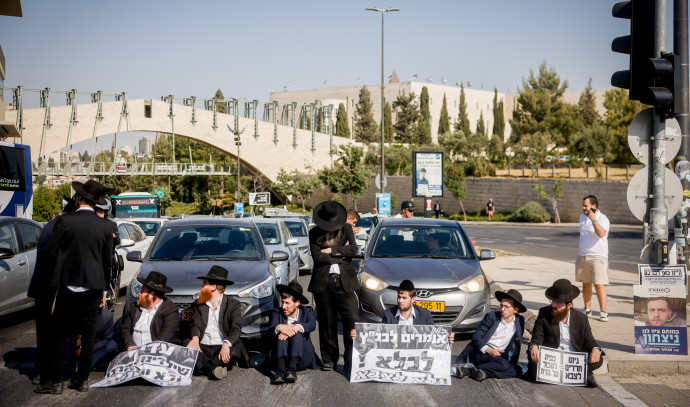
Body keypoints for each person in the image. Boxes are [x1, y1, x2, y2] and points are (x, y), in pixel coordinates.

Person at [37, 180, 114, 394]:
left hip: (66, 285)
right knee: (88, 334)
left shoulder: (65, 222)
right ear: (95, 202)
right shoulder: (106, 227)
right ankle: (81, 380)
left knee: (60, 333)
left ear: (80, 198)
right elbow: (107, 263)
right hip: (93, 287)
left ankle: (57, 381)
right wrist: (104, 291)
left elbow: (50, 253)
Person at [28, 196, 76, 386]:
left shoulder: (51, 224)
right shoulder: (60, 227)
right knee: (55, 332)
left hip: (42, 286)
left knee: (44, 332)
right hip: (52, 287)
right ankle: (50, 373)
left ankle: (42, 370)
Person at [308, 201, 358, 375]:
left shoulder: (346, 229)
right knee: (327, 323)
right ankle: (329, 359)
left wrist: (331, 251)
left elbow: (353, 250)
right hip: (324, 282)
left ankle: (351, 360)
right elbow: (316, 257)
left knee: (351, 320)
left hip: (346, 282)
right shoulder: (314, 233)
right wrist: (340, 254)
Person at [526, 279, 604, 388]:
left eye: (558, 303)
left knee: (599, 359)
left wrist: (596, 349)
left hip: (573, 360)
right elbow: (537, 336)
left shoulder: (581, 318)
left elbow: (589, 340)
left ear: (569, 305)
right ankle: (583, 376)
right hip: (552, 359)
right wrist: (534, 346)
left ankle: (570, 375)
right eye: (552, 301)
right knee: (532, 357)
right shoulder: (544, 313)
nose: (553, 305)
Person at [185, 266, 248, 380]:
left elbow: (236, 328)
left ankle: (201, 366)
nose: (201, 287)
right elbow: (195, 324)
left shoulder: (233, 304)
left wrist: (226, 343)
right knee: (186, 344)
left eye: (204, 284)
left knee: (235, 352)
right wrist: (195, 339)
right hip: (203, 346)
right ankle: (213, 369)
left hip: (221, 346)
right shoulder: (199, 303)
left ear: (213, 287)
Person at [456, 289, 526, 381]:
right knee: (504, 365)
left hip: (498, 356)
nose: (502, 309)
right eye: (501, 305)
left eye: (506, 306)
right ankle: (477, 370)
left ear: (515, 310)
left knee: (517, 369)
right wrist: (489, 350)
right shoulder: (491, 317)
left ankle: (476, 371)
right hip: (481, 352)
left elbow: (517, 341)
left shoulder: (519, 321)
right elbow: (476, 337)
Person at [350, 280, 454, 341]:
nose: (400, 301)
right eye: (399, 297)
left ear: (413, 299)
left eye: (404, 298)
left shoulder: (424, 314)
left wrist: (446, 337)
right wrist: (359, 334)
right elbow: (379, 335)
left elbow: (434, 336)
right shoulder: (388, 314)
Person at [270, 281, 319, 385]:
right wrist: (281, 327)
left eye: (287, 303)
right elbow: (272, 327)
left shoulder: (306, 311)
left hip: (301, 358)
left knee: (298, 331)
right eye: (283, 302)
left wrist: (296, 326)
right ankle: (280, 370)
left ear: (297, 303)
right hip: (281, 357)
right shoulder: (277, 312)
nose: (283, 306)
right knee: (280, 334)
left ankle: (292, 369)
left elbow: (312, 325)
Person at [121, 271, 179, 351]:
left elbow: (166, 335)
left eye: (142, 291)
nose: (139, 294)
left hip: (156, 353)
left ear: (152, 295)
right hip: (133, 351)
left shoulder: (170, 310)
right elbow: (125, 329)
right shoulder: (135, 307)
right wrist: (130, 345)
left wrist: (150, 350)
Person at [576, 195, 610, 321]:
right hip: (583, 256)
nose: (583, 207)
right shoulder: (581, 217)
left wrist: (593, 220)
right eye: (583, 205)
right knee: (586, 284)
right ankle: (587, 309)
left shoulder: (602, 218)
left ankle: (603, 312)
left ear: (594, 206)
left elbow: (601, 234)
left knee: (599, 285)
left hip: (598, 256)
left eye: (586, 205)